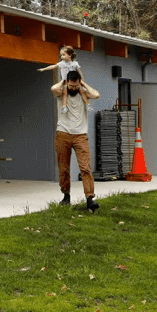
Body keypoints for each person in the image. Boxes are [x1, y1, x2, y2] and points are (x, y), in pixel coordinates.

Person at [53, 70, 101, 212]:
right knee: (64, 168)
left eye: (75, 85)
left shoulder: (83, 93)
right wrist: (63, 82)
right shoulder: (62, 92)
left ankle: (90, 198)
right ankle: (66, 196)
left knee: (85, 167)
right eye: (71, 85)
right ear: (67, 82)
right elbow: (53, 89)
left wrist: (83, 84)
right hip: (63, 133)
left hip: (81, 135)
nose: (73, 88)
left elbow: (96, 94)